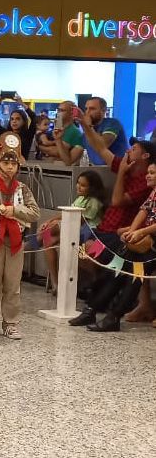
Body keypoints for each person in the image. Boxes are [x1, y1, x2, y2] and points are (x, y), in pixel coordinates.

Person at [68, 134, 155, 329]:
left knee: (134, 274)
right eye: (148, 173)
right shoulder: (153, 193)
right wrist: (132, 230)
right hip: (138, 239)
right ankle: (91, 309)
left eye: (153, 173)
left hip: (151, 245)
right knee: (117, 270)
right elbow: (144, 211)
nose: (149, 176)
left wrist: (140, 232)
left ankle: (113, 316)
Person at [0, 138, 40, 340]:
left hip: (15, 240)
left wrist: (15, 211)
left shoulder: (23, 189)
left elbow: (35, 213)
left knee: (13, 284)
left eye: (13, 164)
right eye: (6, 163)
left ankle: (11, 323)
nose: (10, 167)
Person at [36, 171, 105, 291]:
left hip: (87, 232)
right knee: (48, 240)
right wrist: (50, 220)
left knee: (48, 232)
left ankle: (32, 243)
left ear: (92, 188)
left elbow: (79, 220)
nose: (78, 186)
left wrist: (53, 224)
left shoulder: (94, 202)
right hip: (72, 229)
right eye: (78, 183)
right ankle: (55, 282)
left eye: (83, 185)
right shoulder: (80, 199)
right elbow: (65, 213)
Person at [83, 96, 128, 165]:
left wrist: (89, 126)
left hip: (115, 169)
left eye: (92, 109)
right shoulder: (86, 131)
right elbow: (70, 159)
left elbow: (103, 145)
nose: (87, 112)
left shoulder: (112, 123)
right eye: (86, 109)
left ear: (103, 110)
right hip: (97, 169)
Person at [0, 94, 36, 160]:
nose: (14, 121)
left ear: (24, 121)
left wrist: (21, 103)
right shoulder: (5, 134)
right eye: (12, 119)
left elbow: (34, 118)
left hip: (23, 167)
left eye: (18, 119)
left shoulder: (28, 134)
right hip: (6, 166)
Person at [52, 101, 86, 166]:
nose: (58, 113)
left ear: (71, 113)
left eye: (62, 110)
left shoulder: (74, 131)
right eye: (58, 110)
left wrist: (42, 146)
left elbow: (56, 152)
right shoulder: (58, 129)